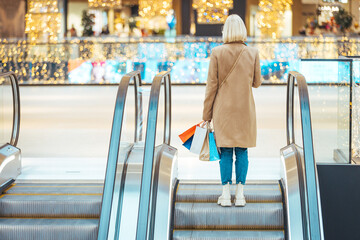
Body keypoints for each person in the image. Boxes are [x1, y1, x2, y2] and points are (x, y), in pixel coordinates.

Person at [202, 14, 261, 207]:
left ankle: (226, 195)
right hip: (245, 109)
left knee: (225, 151)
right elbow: (257, 83)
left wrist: (206, 116)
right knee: (242, 151)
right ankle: (241, 195)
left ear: (225, 31)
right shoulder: (252, 52)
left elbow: (211, 86)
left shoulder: (217, 52)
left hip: (223, 111)